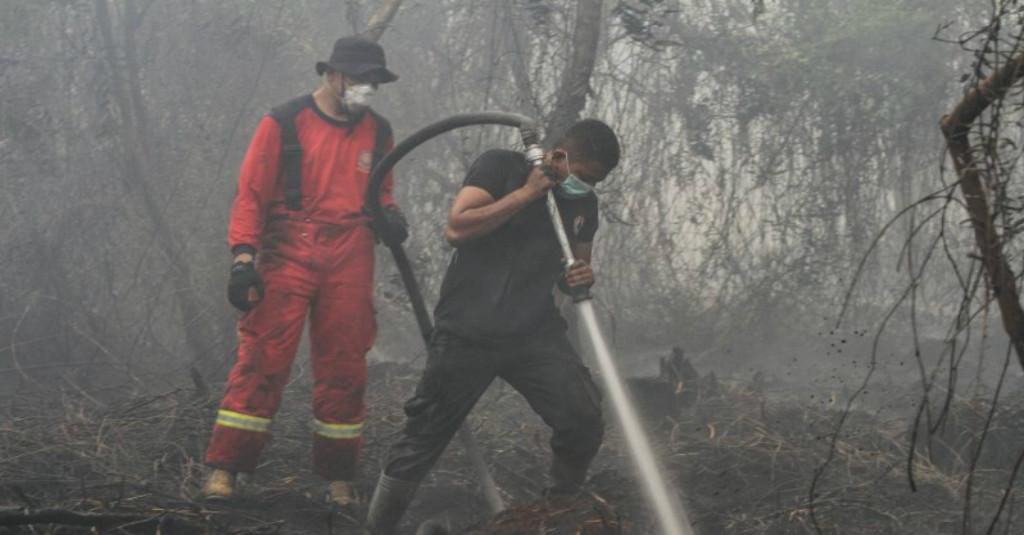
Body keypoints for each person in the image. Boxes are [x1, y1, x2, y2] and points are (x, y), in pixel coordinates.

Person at [363, 119, 621, 534]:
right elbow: (457, 228)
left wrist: (579, 278)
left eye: (597, 182)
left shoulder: (582, 206)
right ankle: (377, 528)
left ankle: (556, 510)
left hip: (533, 333)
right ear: (559, 157)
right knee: (424, 434)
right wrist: (526, 195)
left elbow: (575, 267)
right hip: (469, 328)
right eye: (585, 177)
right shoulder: (500, 167)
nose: (587, 187)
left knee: (583, 416)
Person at [201, 36, 407, 508]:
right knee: (262, 359)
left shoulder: (379, 132)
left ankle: (339, 478)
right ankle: (225, 469)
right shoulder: (283, 122)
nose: (366, 89)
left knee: (345, 366)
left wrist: (391, 217)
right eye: (359, 80)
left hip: (352, 251)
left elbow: (384, 194)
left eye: (373, 82)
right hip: (288, 247)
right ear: (333, 75)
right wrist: (243, 258)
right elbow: (250, 195)